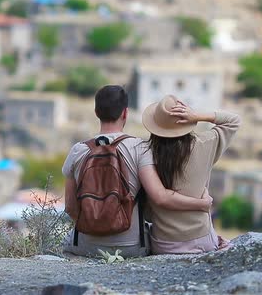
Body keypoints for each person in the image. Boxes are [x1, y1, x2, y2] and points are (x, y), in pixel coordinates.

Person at [62, 85, 213, 258]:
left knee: (66, 245)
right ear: (125, 113)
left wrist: (95, 229)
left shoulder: (77, 150)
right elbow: (160, 197)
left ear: (96, 112)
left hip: (85, 246)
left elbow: (71, 208)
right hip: (131, 247)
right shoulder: (139, 148)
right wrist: (202, 204)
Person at [142, 94, 241, 254]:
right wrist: (196, 115)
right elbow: (233, 121)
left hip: (164, 243)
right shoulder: (206, 143)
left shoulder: (145, 154)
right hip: (202, 240)